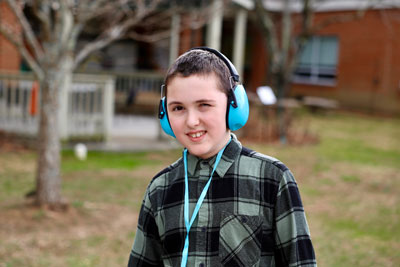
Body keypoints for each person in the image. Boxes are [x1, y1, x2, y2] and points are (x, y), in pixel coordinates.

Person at [128, 47, 316, 267]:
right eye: (178, 108)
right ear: (165, 115)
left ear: (234, 106)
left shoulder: (273, 179)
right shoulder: (159, 189)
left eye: (204, 105)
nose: (191, 121)